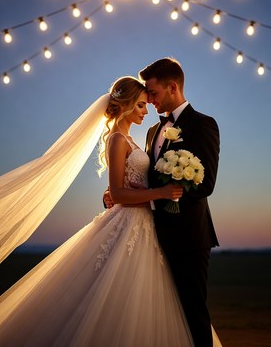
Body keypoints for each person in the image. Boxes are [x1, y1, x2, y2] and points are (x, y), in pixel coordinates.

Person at [0, 76, 222, 346]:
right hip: (131, 223)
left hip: (152, 228)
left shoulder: (140, 138)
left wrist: (140, 193)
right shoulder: (117, 139)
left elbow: (132, 183)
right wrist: (157, 195)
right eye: (140, 104)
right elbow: (118, 193)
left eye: (147, 103)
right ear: (125, 105)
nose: (146, 109)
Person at [105, 58, 220, 347]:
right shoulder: (152, 133)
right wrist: (119, 193)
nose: (150, 101)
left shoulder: (203, 124)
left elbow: (206, 184)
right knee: (157, 312)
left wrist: (170, 190)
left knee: (193, 311)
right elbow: (145, 176)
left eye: (153, 94)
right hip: (151, 235)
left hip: (189, 236)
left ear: (173, 87)